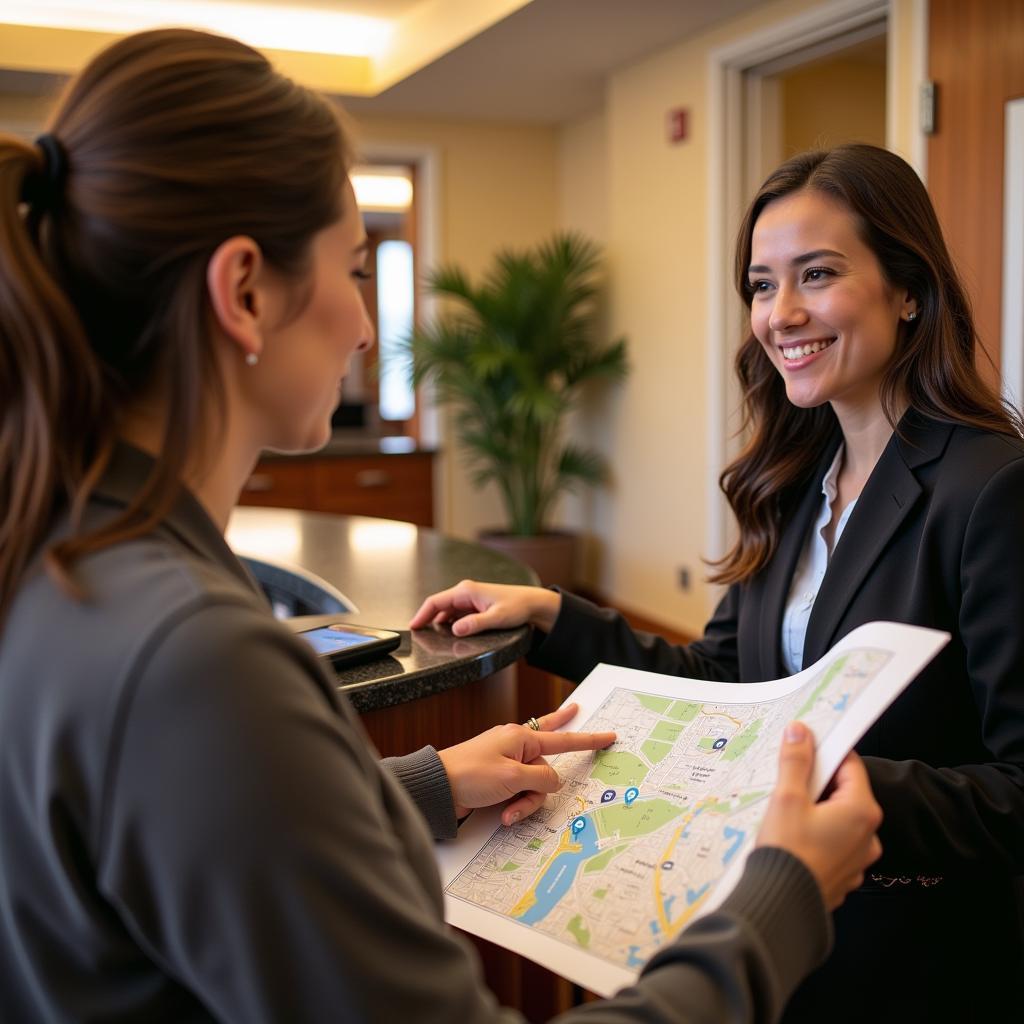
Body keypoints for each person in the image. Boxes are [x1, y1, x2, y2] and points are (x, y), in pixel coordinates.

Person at [0, 30, 882, 1023]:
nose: (366, 325)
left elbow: (206, 833)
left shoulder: (60, 557)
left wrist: (423, 786)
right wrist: (778, 901)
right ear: (244, 293)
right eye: (352, 267)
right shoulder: (194, 661)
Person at [412, 143, 1024, 1023]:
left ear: (909, 289)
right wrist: (552, 615)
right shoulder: (792, 479)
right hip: (774, 936)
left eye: (816, 274)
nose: (782, 314)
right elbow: (727, 682)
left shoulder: (990, 489)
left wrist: (821, 781)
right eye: (762, 285)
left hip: (916, 966)